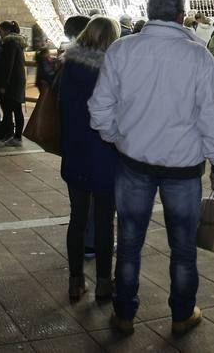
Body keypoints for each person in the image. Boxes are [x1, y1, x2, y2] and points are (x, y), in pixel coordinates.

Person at [89, 0, 214, 337]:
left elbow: (99, 108)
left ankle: (124, 314)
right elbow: (213, 118)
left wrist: (116, 136)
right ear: (182, 16)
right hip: (183, 169)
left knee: (130, 241)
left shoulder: (122, 50)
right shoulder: (198, 56)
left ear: (148, 12)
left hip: (133, 163)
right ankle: (182, 314)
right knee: (183, 246)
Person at [57, 16, 120, 302]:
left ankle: (75, 280)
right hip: (105, 153)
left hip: (75, 150)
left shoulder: (68, 66)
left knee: (77, 217)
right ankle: (104, 283)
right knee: (105, 221)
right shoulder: (112, 71)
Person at [0, 21, 27, 146]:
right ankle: (16, 136)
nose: (0, 34)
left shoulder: (10, 44)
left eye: (1, 31)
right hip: (18, 81)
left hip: (12, 82)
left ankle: (13, 136)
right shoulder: (17, 43)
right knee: (16, 109)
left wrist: (4, 84)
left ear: (7, 31)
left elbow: (8, 65)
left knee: (10, 109)